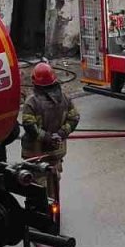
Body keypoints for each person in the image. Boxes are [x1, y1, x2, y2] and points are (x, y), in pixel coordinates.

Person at [19, 63, 81, 211]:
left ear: (35, 82)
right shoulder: (65, 99)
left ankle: (39, 211)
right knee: (54, 178)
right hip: (56, 152)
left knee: (36, 183)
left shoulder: (31, 102)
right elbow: (74, 118)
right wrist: (61, 134)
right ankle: (53, 207)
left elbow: (29, 125)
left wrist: (46, 137)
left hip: (36, 154)